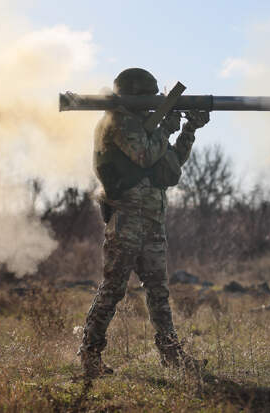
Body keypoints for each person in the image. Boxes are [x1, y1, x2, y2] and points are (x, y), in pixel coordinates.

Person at [79, 68, 209, 379]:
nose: (152, 105)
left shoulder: (145, 126)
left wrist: (189, 129)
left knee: (159, 292)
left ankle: (171, 355)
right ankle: (90, 356)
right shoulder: (118, 122)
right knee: (112, 290)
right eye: (148, 99)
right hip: (127, 222)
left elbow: (170, 168)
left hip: (152, 222)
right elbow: (144, 155)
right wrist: (165, 128)